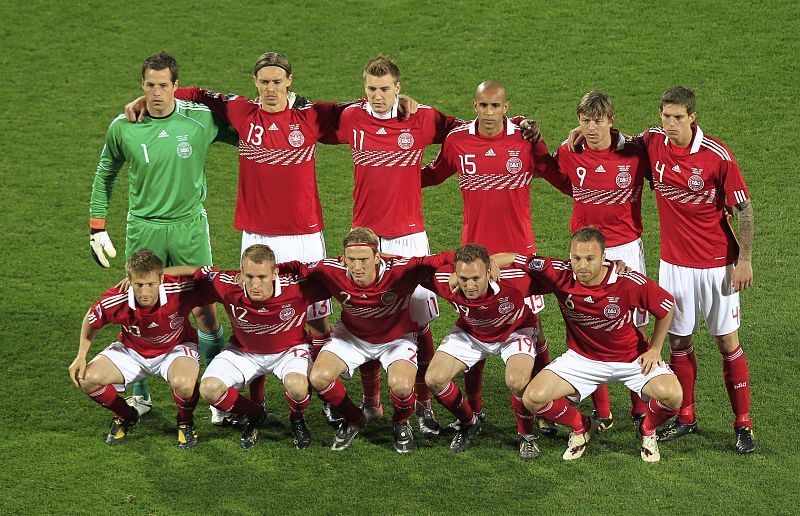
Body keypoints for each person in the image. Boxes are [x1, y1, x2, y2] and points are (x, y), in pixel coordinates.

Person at [324, 54, 466, 436]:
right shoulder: (352, 118)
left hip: (409, 236)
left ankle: (422, 403)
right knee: (367, 316)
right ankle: (371, 401)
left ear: (398, 88)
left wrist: (516, 125)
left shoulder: (421, 119)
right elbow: (307, 118)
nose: (378, 96)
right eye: (371, 88)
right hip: (366, 239)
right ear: (363, 88)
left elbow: (465, 130)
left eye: (385, 89)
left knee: (420, 322)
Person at [90, 51, 229, 418]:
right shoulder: (123, 126)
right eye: (149, 85)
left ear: (176, 87)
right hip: (144, 228)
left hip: (189, 228)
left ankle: (215, 393)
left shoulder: (200, 121)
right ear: (142, 86)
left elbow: (245, 120)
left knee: (205, 313)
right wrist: (97, 225)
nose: (155, 93)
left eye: (163, 85)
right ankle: (141, 395)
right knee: (140, 307)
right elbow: (106, 172)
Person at [420, 80, 555, 435]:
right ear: (474, 106)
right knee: (476, 323)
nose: (489, 113)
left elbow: (553, 169)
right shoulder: (458, 140)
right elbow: (433, 175)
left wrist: (541, 139)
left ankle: (543, 403)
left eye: (496, 106)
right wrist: (392, 174)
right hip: (473, 258)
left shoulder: (523, 138)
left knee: (532, 326)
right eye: (483, 106)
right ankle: (475, 409)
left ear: (506, 106)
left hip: (520, 254)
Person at [633, 86, 756, 453]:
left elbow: (743, 210)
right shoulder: (653, 141)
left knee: (727, 343)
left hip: (718, 266)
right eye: (665, 116)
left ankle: (743, 424)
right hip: (673, 265)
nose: (669, 124)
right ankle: (686, 416)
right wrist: (581, 134)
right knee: (678, 342)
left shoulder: (717, 156)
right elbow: (616, 142)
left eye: (677, 117)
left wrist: (745, 260)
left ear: (692, 118)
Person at [494, 227, 682, 462]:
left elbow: (666, 306)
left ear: (604, 258)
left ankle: (648, 429)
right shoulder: (559, 272)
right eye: (576, 258)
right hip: (582, 359)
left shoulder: (628, 281)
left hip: (631, 358)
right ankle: (582, 427)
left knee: (673, 397)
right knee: (532, 398)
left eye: (590, 259)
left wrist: (655, 348)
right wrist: (490, 262)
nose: (582, 266)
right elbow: (515, 258)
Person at [536, 90, 653, 428]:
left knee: (632, 326)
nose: (590, 127)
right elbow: (555, 175)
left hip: (625, 248)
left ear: (611, 120)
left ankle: (640, 403)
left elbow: (660, 155)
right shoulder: (570, 151)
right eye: (584, 121)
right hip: (585, 253)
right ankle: (603, 409)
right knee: (590, 323)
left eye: (597, 121)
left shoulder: (634, 152)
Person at [282, 228, 454, 453]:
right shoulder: (331, 269)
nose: (357, 266)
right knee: (318, 378)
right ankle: (355, 419)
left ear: (377, 257)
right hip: (351, 338)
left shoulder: (403, 269)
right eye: (351, 260)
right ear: (343, 258)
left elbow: (444, 258)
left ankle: (401, 424)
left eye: (363, 259)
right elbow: (297, 268)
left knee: (402, 387)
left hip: (396, 339)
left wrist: (485, 265)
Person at [162, 245, 331, 449]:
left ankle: (296, 420)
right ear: (241, 274)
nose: (255, 284)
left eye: (262, 277)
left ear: (275, 273)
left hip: (289, 351)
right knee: (208, 389)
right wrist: (154, 274)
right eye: (249, 276)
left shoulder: (297, 286)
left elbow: (333, 272)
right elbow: (199, 272)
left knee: (298, 386)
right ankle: (255, 414)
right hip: (243, 352)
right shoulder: (227, 284)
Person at [68, 249, 208, 448]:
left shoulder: (178, 289)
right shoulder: (117, 297)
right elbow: (91, 319)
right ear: (129, 281)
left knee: (184, 384)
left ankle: (185, 421)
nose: (144, 292)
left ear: (161, 279)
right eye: (139, 284)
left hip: (174, 349)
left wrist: (167, 271)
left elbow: (202, 273)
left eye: (150, 284)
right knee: (86, 379)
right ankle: (127, 415)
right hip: (132, 351)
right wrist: (81, 355)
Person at [423, 244, 541, 460]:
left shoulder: (515, 280)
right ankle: (470, 422)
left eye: (476, 278)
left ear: (489, 272)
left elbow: (550, 269)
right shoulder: (444, 281)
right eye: (463, 278)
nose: (469, 285)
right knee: (434, 379)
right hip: (471, 332)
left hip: (514, 331)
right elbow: (411, 266)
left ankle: (527, 435)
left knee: (517, 381)